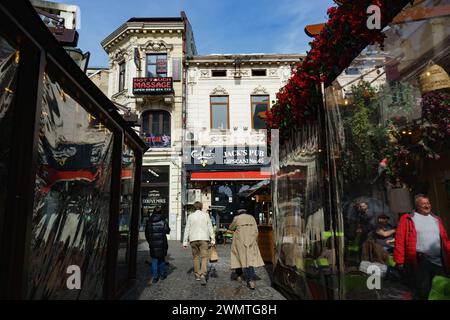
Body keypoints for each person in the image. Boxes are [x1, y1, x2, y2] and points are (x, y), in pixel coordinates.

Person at [394, 195, 450, 299]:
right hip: (421, 261)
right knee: (423, 289)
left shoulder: (436, 219)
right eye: (423, 203)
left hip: (439, 260)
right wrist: (399, 261)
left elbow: (445, 239)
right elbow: (399, 240)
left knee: (442, 286)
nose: (427, 205)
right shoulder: (407, 218)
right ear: (417, 205)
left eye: (428, 203)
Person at [228, 203, 265, 290]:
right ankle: (251, 280)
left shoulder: (236, 218)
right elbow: (256, 231)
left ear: (238, 211)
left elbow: (230, 228)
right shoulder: (251, 218)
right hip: (251, 242)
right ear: (245, 211)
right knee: (249, 261)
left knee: (237, 257)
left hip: (239, 242)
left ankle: (239, 275)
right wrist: (253, 240)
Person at [182, 202, 215, 286]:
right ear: (201, 207)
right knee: (204, 257)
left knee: (195, 257)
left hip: (193, 239)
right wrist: (213, 239)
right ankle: (203, 274)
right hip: (204, 239)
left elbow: (187, 229)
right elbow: (210, 227)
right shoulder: (206, 215)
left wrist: (185, 241)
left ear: (194, 207)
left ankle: (197, 275)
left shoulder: (190, 216)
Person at [145, 206, 170, 284]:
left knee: (154, 260)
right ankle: (162, 275)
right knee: (162, 259)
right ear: (160, 212)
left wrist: (150, 241)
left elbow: (146, 233)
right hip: (162, 243)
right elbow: (167, 231)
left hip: (153, 243)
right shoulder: (163, 221)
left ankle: (155, 277)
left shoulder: (149, 221)